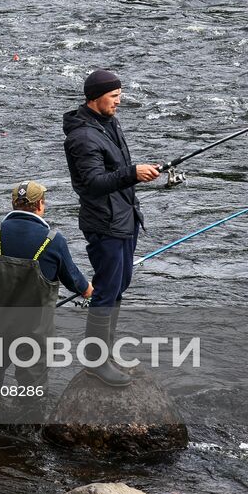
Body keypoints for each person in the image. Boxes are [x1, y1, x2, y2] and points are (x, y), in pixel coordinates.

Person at [63, 69, 159, 387]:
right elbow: (91, 184)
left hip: (124, 217)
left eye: (120, 95)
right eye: (114, 96)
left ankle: (106, 352)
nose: (119, 101)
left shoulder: (109, 122)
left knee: (120, 284)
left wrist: (138, 174)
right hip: (104, 224)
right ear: (95, 97)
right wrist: (133, 173)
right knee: (106, 290)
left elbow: (116, 170)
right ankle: (95, 362)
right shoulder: (82, 137)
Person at [0, 181, 92, 390]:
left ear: (14, 203)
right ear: (40, 204)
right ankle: (27, 421)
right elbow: (73, 280)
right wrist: (88, 290)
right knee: (32, 387)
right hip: (34, 332)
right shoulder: (53, 240)